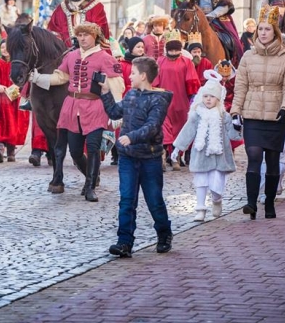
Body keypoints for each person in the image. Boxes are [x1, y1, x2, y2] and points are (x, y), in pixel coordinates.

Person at [29, 22, 125, 202]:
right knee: (74, 150)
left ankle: (89, 186)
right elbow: (61, 77)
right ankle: (91, 174)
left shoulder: (105, 57)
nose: (82, 38)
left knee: (93, 148)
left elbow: (116, 83)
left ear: (94, 37)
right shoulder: (71, 56)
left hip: (94, 106)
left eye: (86, 35)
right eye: (80, 35)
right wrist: (39, 78)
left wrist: (117, 110)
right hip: (72, 107)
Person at [99, 56, 173, 257]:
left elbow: (152, 126)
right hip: (127, 158)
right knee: (127, 200)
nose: (129, 76)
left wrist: (130, 137)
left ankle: (164, 234)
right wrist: (105, 92)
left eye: (132, 73)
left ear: (143, 75)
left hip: (150, 158)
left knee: (154, 199)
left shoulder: (159, 99)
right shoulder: (131, 95)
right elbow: (115, 113)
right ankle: (124, 242)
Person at [230, 6, 285, 219]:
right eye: (260, 29)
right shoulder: (248, 57)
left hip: (276, 115)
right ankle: (251, 203)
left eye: (267, 29)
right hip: (252, 114)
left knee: (272, 160)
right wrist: (235, 111)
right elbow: (240, 85)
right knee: (253, 155)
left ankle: (269, 203)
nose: (263, 33)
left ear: (275, 32)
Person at [172, 73, 241, 221]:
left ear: (218, 99)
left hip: (218, 156)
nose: (208, 99)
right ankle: (200, 209)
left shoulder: (224, 116)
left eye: (212, 96)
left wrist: (238, 126)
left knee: (216, 183)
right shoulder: (197, 115)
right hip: (201, 154)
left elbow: (234, 135)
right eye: (206, 96)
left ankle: (217, 199)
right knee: (201, 182)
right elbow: (188, 131)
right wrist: (178, 148)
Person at [153, 36, 200, 169]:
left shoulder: (183, 62)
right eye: (171, 51)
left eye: (175, 51)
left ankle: (174, 157)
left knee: (176, 129)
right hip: (169, 100)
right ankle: (167, 156)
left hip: (175, 100)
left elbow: (191, 81)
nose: (173, 54)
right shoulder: (163, 61)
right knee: (169, 128)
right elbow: (155, 79)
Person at [0, 40, 30, 163]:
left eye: (7, 47)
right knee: (0, 122)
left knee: (14, 123)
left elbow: (26, 79)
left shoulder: (19, 64)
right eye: (2, 47)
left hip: (15, 98)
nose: (5, 49)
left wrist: (18, 88)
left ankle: (11, 150)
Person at [191, 0, 243, 64]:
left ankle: (235, 61)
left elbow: (225, 6)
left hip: (218, 18)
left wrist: (211, 15)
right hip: (199, 18)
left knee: (233, 40)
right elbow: (191, 3)